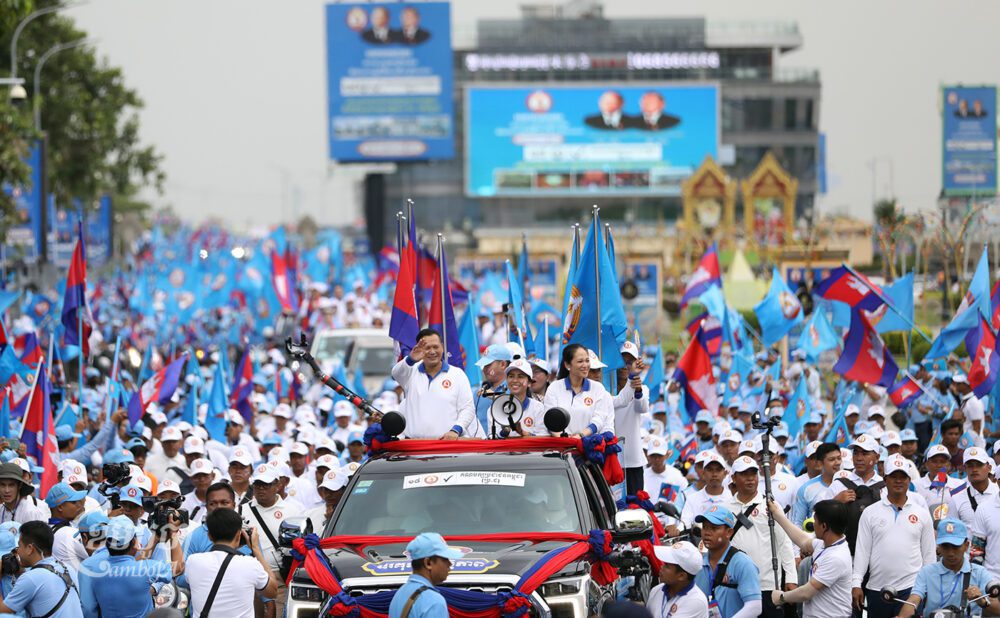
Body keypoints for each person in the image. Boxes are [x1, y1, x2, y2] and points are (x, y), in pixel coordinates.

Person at [852, 453, 936, 618]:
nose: (899, 481)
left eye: (903, 477)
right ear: (885, 480)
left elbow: (929, 556)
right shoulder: (870, 513)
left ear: (909, 480)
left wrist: (926, 589)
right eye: (894, 477)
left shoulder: (921, 513)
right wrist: (856, 583)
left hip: (912, 589)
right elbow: (862, 552)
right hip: (877, 589)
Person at [725, 456, 797, 618]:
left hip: (768, 585)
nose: (750, 478)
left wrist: (791, 578)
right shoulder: (725, 507)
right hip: (735, 584)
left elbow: (784, 543)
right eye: (744, 474)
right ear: (734, 478)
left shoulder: (771, 505)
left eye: (753, 473)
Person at [186, 508, 279, 618]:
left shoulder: (193, 562)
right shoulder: (250, 564)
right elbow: (272, 592)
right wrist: (256, 549)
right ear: (239, 535)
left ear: (209, 535)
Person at [78, 515, 178, 618]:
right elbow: (177, 568)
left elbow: (88, 610)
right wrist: (173, 534)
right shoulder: (147, 568)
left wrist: (155, 538)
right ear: (134, 542)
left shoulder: (93, 570)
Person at [897, 518, 999, 617]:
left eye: (956, 546)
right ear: (939, 547)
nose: (950, 553)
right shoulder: (926, 572)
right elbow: (913, 600)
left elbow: (997, 609)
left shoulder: (980, 573)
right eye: (945, 546)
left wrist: (981, 601)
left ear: (966, 545)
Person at [768, 499, 852, 618]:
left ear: (824, 526)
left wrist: (782, 597)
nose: (813, 524)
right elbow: (802, 540)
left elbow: (806, 592)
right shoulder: (824, 544)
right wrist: (778, 515)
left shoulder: (836, 557)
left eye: (815, 521)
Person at [239, 464, 301, 618]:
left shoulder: (292, 510)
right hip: (249, 575)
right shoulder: (241, 510)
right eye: (257, 484)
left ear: (277, 485)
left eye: (266, 484)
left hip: (278, 575)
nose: (260, 488)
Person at [391, 328, 478, 439]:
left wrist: (456, 430)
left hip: (446, 446)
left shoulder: (457, 374)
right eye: (427, 348)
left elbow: (467, 408)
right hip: (415, 446)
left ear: (442, 347)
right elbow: (395, 373)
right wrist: (410, 359)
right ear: (419, 349)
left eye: (435, 347)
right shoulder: (410, 372)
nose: (432, 352)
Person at [0, 521, 83, 618]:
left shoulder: (30, 578)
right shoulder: (67, 568)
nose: (17, 551)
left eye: (19, 546)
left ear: (30, 548)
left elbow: (3, 612)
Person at [692, 506, 761, 618]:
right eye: (704, 527)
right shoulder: (697, 563)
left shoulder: (743, 563)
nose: (707, 533)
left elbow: (755, 606)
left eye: (714, 528)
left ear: (729, 532)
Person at [822, 434, 883, 553]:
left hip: (878, 553)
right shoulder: (839, 484)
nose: (859, 458)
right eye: (856, 453)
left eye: (865, 453)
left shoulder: (885, 486)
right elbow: (819, 518)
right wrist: (836, 502)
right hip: (845, 553)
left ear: (877, 457)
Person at [538, 345, 614, 437]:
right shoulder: (554, 387)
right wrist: (562, 439)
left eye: (587, 361)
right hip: (560, 446)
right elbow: (550, 419)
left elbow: (599, 419)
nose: (585, 365)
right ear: (567, 365)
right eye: (580, 361)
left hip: (588, 446)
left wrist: (580, 436)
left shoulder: (598, 388)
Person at [388, 532, 462, 618]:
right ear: (428, 563)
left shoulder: (401, 593)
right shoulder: (433, 601)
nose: (450, 564)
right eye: (445, 559)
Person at [614, 341, 648, 494]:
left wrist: (638, 389)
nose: (624, 366)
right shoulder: (605, 389)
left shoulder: (642, 388)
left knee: (634, 506)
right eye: (621, 361)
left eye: (629, 362)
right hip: (611, 457)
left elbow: (641, 407)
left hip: (633, 459)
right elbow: (620, 400)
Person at [646, 541, 708, 618]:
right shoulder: (656, 590)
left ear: (681, 576)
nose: (661, 567)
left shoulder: (696, 601)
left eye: (667, 565)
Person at [791, 443, 841, 528]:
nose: (837, 463)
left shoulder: (849, 483)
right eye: (832, 459)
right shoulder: (806, 489)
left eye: (839, 458)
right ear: (820, 463)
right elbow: (797, 524)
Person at [679, 452, 731, 526]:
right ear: (703, 473)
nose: (714, 474)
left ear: (725, 473)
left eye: (718, 470)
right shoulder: (692, 499)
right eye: (710, 470)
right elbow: (684, 524)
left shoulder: (732, 498)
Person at [46, 482, 88, 570]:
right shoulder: (70, 534)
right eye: (74, 502)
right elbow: (99, 554)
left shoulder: (47, 529)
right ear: (60, 507)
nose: (79, 505)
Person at [952, 447, 997, 526]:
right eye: (970, 466)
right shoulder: (956, 498)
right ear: (965, 469)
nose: (974, 469)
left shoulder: (998, 491)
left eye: (979, 465)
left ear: (989, 468)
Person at [473, 344, 512, 433]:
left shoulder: (514, 389)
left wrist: (495, 397)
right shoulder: (478, 392)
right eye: (484, 365)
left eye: (488, 365)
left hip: (506, 444)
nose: (484, 369)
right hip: (481, 444)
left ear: (502, 364)